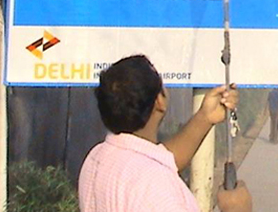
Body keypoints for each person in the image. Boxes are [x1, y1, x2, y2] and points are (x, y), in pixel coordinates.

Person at [78, 55, 252, 212]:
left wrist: (205, 117)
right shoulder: (159, 189)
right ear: (159, 101)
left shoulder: (97, 158)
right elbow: (153, 175)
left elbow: (160, 160)